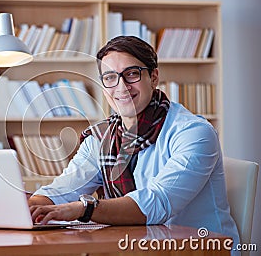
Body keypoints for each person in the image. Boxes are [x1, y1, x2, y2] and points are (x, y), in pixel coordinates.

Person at [29, 36, 239, 251]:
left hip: (199, 251)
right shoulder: (101, 138)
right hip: (134, 248)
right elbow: (63, 191)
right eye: (110, 77)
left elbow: (157, 204)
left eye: (131, 74)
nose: (121, 87)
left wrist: (85, 209)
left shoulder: (194, 132)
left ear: (154, 77)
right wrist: (28, 206)